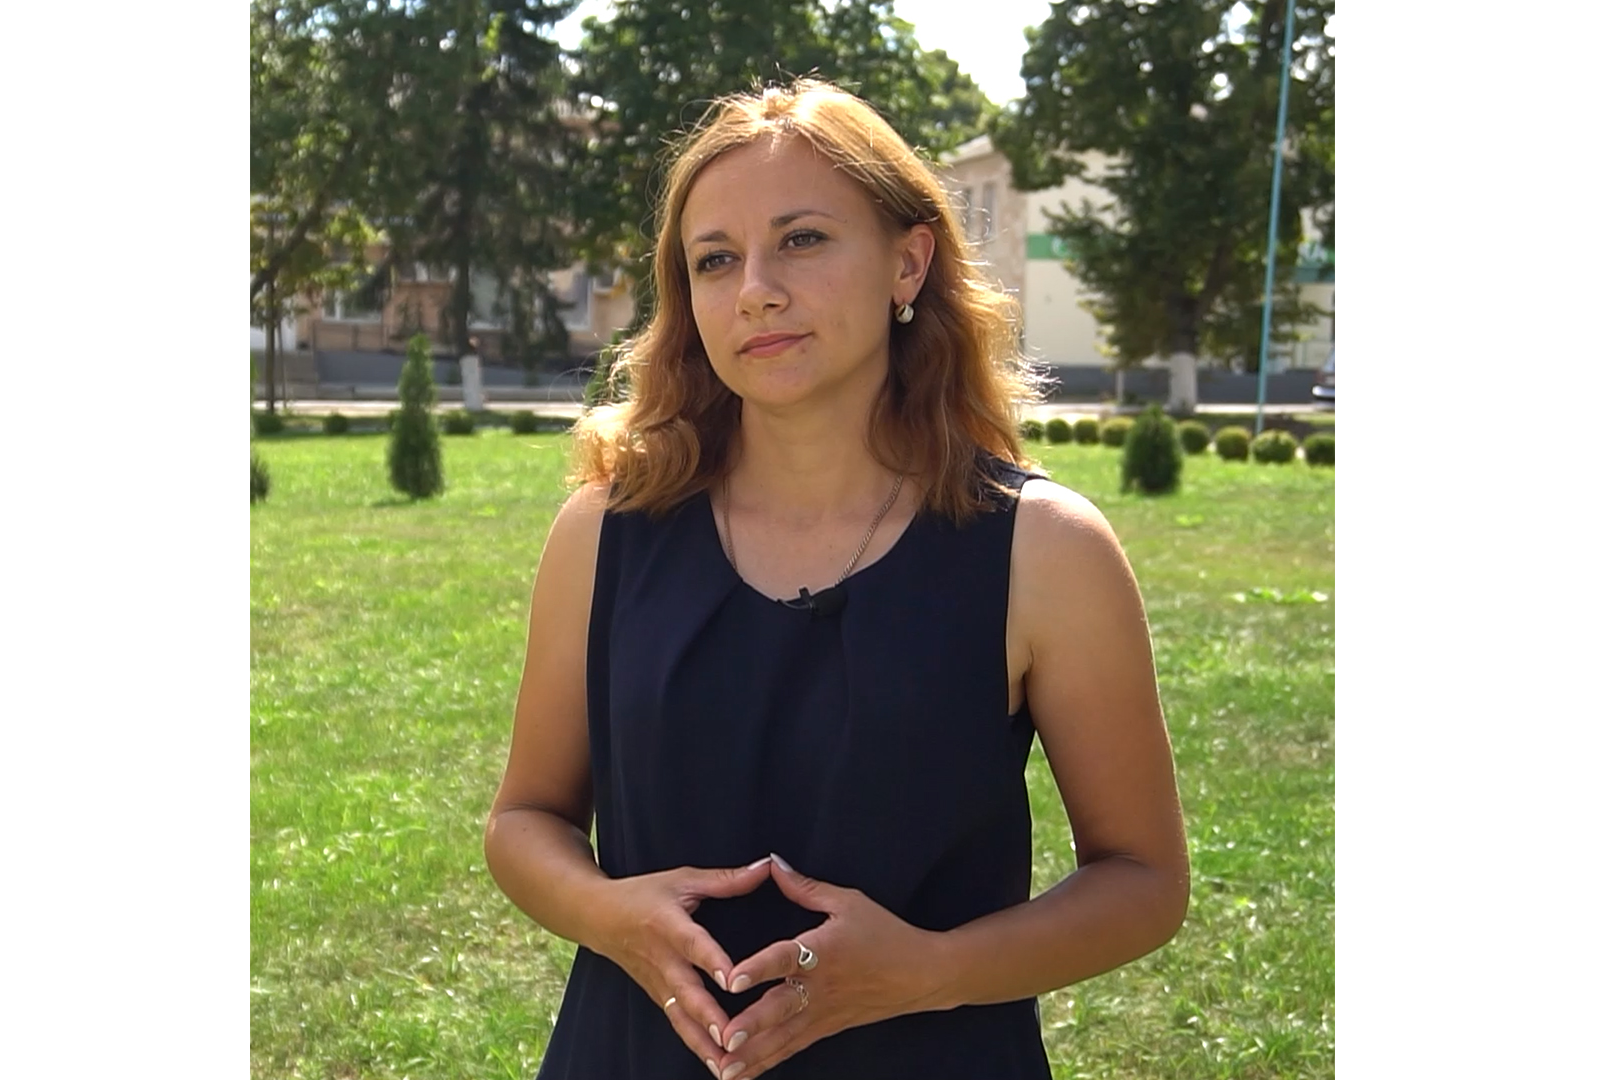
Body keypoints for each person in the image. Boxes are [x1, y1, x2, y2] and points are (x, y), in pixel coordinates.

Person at [484, 78, 1188, 1080]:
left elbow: (1144, 881)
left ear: (908, 261)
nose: (755, 288)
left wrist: (927, 972)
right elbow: (523, 822)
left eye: (802, 239)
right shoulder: (604, 533)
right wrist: (611, 915)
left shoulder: (1044, 549)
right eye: (714, 260)